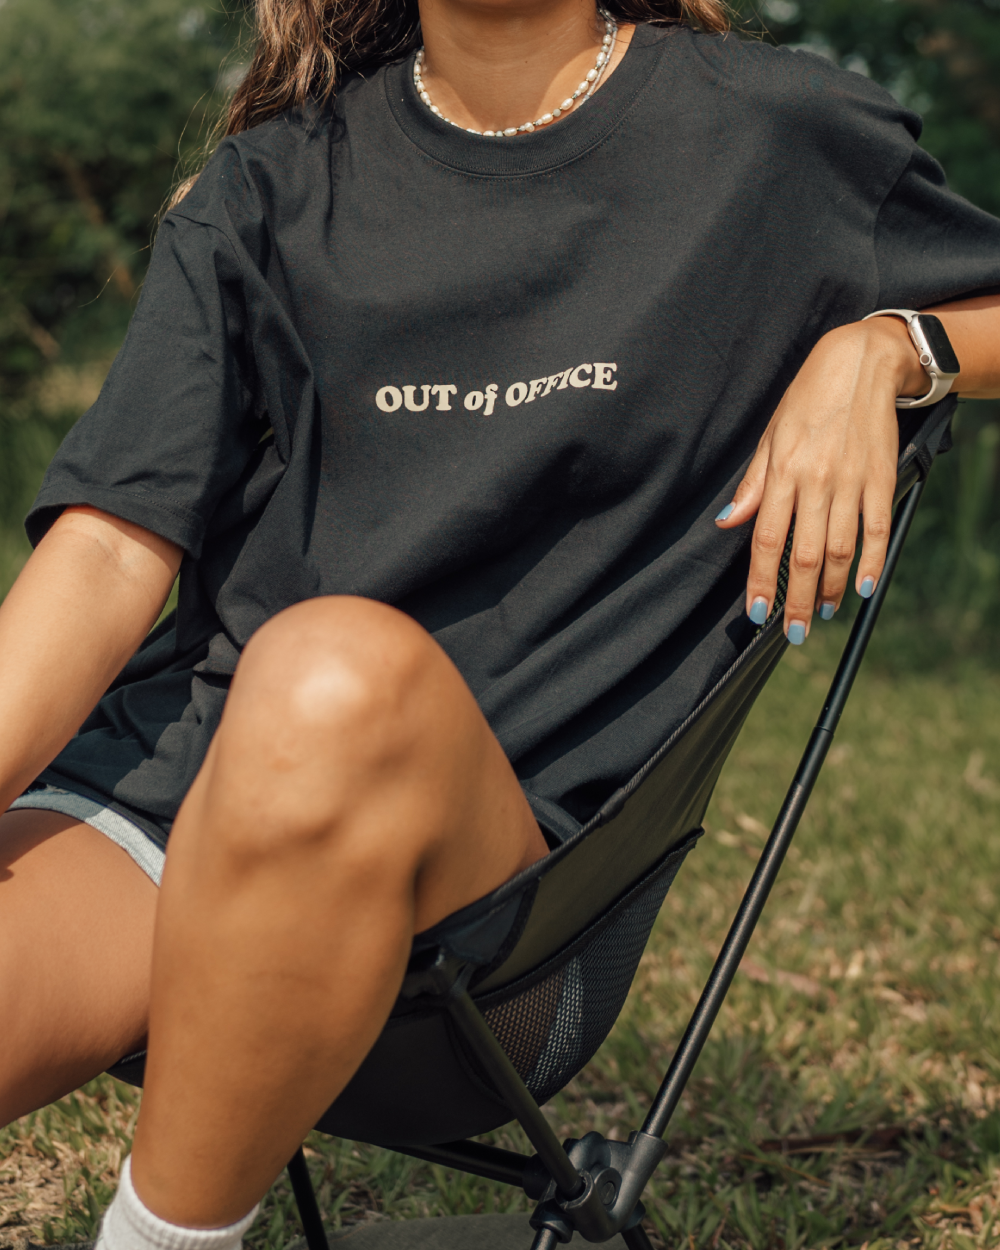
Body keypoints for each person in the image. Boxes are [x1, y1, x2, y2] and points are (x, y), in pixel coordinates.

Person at [2, 0, 999, 1245]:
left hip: (485, 921)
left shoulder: (770, 134)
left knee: (328, 672)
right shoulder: (274, 177)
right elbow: (105, 548)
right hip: (167, 807)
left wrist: (892, 344)